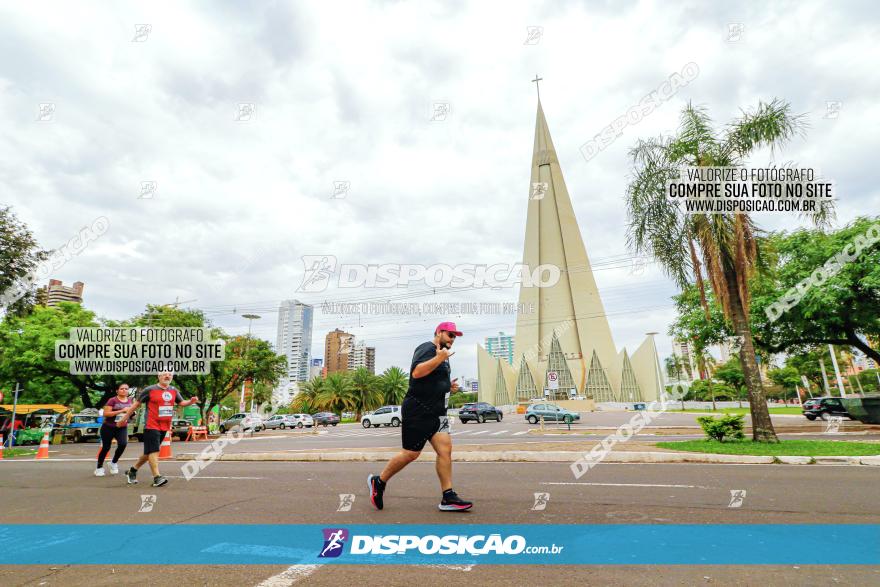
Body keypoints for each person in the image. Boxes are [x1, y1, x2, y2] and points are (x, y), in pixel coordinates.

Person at [368, 322, 472, 512]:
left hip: (438, 413)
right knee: (411, 453)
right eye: (450, 335)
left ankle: (448, 497)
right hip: (418, 411)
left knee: (445, 450)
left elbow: (431, 381)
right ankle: (379, 481)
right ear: (439, 332)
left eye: (455, 337)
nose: (452, 340)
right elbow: (417, 373)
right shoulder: (427, 348)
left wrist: (448, 387)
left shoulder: (444, 356)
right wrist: (439, 358)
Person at [117, 371, 198, 487]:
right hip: (151, 425)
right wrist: (124, 418)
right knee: (154, 451)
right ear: (159, 376)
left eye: (170, 374)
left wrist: (191, 401)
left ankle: (132, 471)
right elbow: (136, 405)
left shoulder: (173, 390)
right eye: (164, 374)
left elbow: (182, 402)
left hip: (165, 425)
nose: (167, 376)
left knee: (148, 453)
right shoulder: (150, 390)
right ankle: (157, 477)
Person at [95, 383, 133, 477]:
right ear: (117, 390)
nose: (124, 390)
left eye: (126, 389)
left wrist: (132, 413)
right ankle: (99, 468)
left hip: (122, 427)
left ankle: (113, 463)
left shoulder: (130, 400)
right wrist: (121, 411)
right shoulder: (112, 400)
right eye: (121, 389)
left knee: (123, 444)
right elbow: (106, 414)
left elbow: (130, 413)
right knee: (106, 447)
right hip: (108, 427)